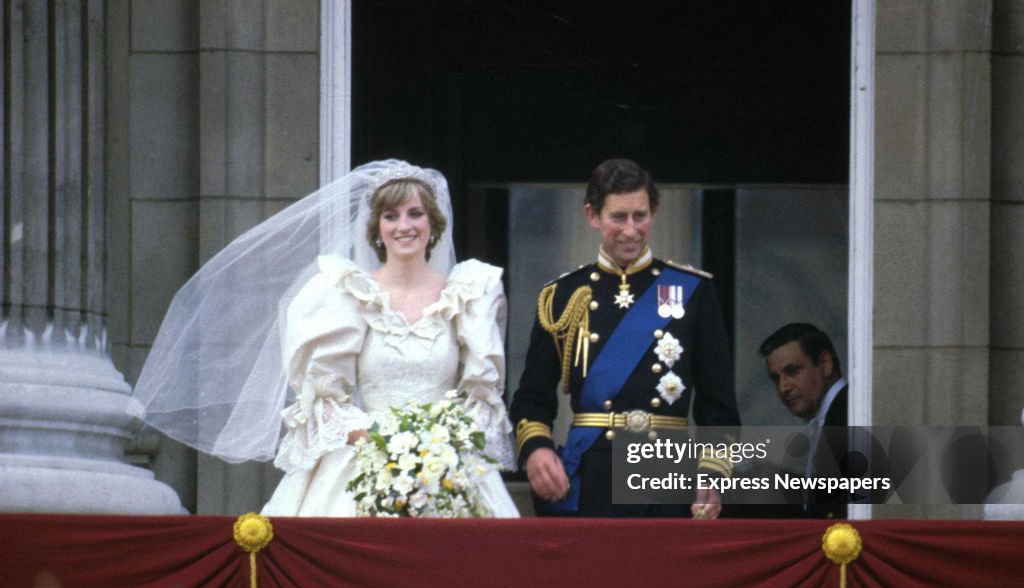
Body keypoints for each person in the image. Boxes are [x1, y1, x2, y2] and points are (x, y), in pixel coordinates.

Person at [132, 160, 519, 517]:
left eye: (415, 213)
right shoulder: (344, 293)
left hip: (446, 465)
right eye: (391, 215)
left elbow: (481, 399)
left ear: (433, 223)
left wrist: (439, 445)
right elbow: (323, 398)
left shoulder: (468, 293)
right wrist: (378, 442)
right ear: (377, 228)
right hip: (365, 456)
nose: (404, 225)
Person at [509, 158, 741, 518]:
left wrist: (713, 474)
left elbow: (719, 406)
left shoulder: (691, 291)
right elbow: (532, 398)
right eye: (618, 217)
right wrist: (537, 449)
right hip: (592, 471)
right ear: (593, 215)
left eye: (640, 216)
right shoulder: (564, 296)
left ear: (655, 212)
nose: (631, 231)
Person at [758, 322, 848, 518]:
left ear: (825, 364)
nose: (784, 387)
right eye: (776, 378)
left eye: (792, 371)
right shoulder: (822, 422)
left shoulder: (851, 412)